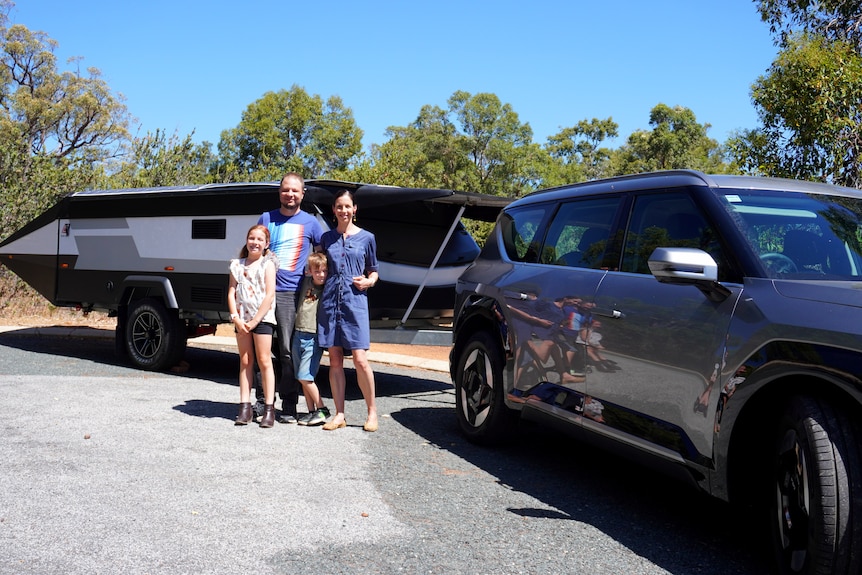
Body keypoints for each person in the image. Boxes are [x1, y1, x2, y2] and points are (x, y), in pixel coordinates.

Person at [258, 172, 323, 424]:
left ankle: (288, 404)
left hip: (290, 293)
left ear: (302, 193)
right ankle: (262, 401)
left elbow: (320, 256)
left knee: (286, 351)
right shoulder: (266, 218)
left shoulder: (311, 223)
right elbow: (255, 247)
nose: (290, 195)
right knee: (260, 352)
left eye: (295, 191)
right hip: (264, 292)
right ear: (280, 192)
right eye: (286, 190)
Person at [317, 189, 379, 432]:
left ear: (355, 209)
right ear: (334, 210)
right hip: (330, 303)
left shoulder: (367, 238)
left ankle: (372, 412)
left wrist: (370, 281)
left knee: (360, 360)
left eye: (347, 206)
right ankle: (339, 413)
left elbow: (374, 270)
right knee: (334, 360)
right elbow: (319, 266)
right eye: (339, 206)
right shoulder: (326, 238)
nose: (343, 210)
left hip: (355, 303)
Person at [227, 225, 279, 427]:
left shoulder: (268, 264)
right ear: (246, 240)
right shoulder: (236, 265)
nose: (254, 242)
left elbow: (269, 294)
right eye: (251, 238)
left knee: (264, 360)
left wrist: (256, 320)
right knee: (245, 361)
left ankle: (268, 409)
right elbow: (232, 292)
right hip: (241, 319)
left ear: (266, 244)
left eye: (259, 239)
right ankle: (244, 407)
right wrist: (236, 318)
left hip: (262, 319)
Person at [292, 251, 331, 426]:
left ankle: (322, 410)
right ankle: (311, 411)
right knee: (303, 378)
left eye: (324, 271)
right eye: (317, 271)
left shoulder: (327, 289)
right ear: (310, 271)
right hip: (298, 333)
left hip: (314, 337)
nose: (321, 275)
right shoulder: (306, 282)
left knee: (304, 376)